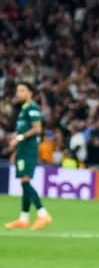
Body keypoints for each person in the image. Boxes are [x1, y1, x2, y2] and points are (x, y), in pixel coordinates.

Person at [5, 83, 53, 230]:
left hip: (29, 151)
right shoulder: (23, 110)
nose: (18, 93)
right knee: (24, 182)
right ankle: (23, 219)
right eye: (17, 90)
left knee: (25, 182)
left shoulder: (32, 108)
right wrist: (16, 152)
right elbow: (23, 132)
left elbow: (37, 129)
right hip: (22, 150)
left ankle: (43, 214)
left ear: (30, 93)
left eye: (22, 90)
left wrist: (18, 139)